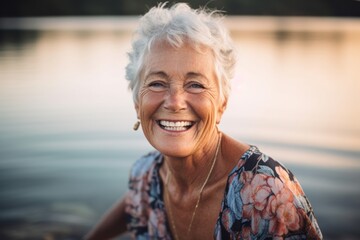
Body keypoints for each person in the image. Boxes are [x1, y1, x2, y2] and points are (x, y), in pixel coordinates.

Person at [85, 2, 323, 240]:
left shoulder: (266, 193)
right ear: (137, 103)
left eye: (196, 85)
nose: (175, 102)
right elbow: (132, 205)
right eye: (157, 83)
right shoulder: (145, 175)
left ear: (222, 103)